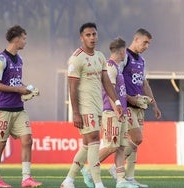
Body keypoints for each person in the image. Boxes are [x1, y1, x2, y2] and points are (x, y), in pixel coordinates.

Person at [60, 22, 123, 188]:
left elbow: (106, 81)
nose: (92, 37)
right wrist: (75, 112)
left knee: (88, 144)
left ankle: (69, 180)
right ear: (82, 38)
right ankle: (98, 183)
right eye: (88, 35)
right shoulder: (76, 58)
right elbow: (72, 87)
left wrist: (116, 101)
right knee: (95, 139)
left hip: (98, 106)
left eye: (94, 34)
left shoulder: (100, 57)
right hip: (85, 106)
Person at [81, 37, 138, 188]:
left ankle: (121, 180)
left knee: (120, 146)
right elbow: (109, 91)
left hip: (121, 111)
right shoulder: (110, 67)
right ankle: (88, 170)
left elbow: (119, 91)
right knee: (111, 146)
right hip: (111, 112)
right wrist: (116, 109)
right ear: (122, 51)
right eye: (125, 50)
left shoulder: (117, 67)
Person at [0, 25, 42, 188]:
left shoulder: (20, 59)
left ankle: (26, 178)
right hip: (2, 108)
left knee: (28, 140)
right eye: (24, 38)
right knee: (1, 143)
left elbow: (16, 83)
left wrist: (27, 90)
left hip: (18, 108)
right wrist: (18, 89)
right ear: (16, 38)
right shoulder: (1, 59)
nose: (25, 42)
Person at [108, 28, 161, 188]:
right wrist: (128, 99)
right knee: (136, 138)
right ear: (136, 39)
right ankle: (115, 169)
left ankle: (129, 177)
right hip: (127, 106)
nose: (146, 46)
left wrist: (154, 104)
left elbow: (144, 83)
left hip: (139, 107)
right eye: (145, 42)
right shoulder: (125, 57)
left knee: (134, 143)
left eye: (148, 43)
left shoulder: (142, 61)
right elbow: (115, 80)